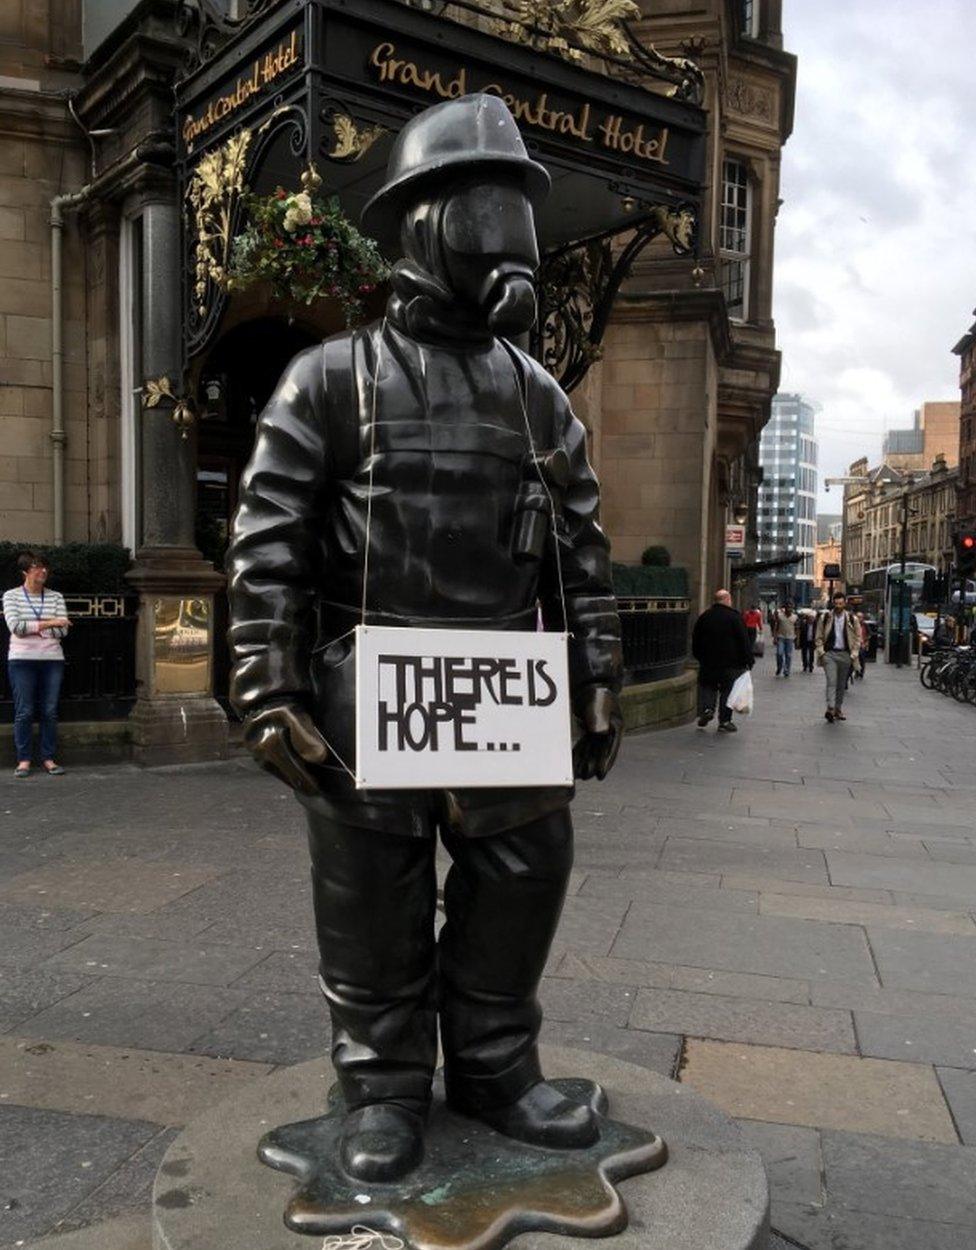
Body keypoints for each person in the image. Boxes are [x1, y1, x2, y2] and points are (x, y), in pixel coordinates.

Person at [227, 96, 623, 1182]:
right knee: (373, 888)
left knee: (525, 863)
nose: (505, 236)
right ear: (422, 223)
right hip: (372, 687)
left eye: (515, 208)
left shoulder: (538, 396)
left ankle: (495, 1066)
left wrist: (594, 673)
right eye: (483, 207)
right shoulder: (330, 378)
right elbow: (268, 546)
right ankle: (382, 1084)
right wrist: (268, 683)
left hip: (503, 685)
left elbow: (582, 550)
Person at [3, 552, 71, 777]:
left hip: (52, 660)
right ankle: (23, 760)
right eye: (37, 568)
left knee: (49, 711)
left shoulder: (56, 597)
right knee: (25, 711)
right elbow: (16, 628)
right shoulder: (11, 596)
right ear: (25, 572)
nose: (43, 572)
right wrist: (50, 623)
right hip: (21, 660)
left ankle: (48, 758)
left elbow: (63, 630)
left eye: (45, 568)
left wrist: (34, 627)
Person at [691, 589, 754, 733]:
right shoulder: (734, 617)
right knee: (727, 690)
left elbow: (696, 639)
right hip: (730, 663)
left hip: (708, 662)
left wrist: (699, 656)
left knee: (708, 686)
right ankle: (724, 721)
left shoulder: (705, 617)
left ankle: (707, 709)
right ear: (727, 599)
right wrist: (748, 660)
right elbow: (743, 640)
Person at [815, 590, 861, 722]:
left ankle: (838, 708)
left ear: (845, 603)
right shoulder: (825, 618)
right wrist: (821, 652)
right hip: (829, 654)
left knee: (841, 684)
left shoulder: (853, 619)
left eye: (841, 603)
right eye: (836, 604)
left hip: (846, 655)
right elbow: (818, 637)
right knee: (831, 681)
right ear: (833, 604)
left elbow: (858, 638)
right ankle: (830, 708)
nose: (838, 606)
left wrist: (854, 654)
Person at [772, 601, 797, 677]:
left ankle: (787, 670)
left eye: (790, 607)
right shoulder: (780, 616)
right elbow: (776, 627)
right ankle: (779, 667)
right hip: (781, 637)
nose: (789, 609)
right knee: (779, 653)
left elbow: (797, 629)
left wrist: (797, 639)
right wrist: (775, 637)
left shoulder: (795, 617)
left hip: (790, 638)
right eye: (787, 607)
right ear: (785, 608)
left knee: (788, 655)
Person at [796, 608, 817, 673]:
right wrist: (798, 641)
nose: (811, 620)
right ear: (807, 619)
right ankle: (805, 665)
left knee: (811, 654)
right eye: (810, 618)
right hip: (804, 641)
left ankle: (811, 666)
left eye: (812, 618)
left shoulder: (815, 625)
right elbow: (799, 632)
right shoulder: (803, 624)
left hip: (812, 641)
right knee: (804, 654)